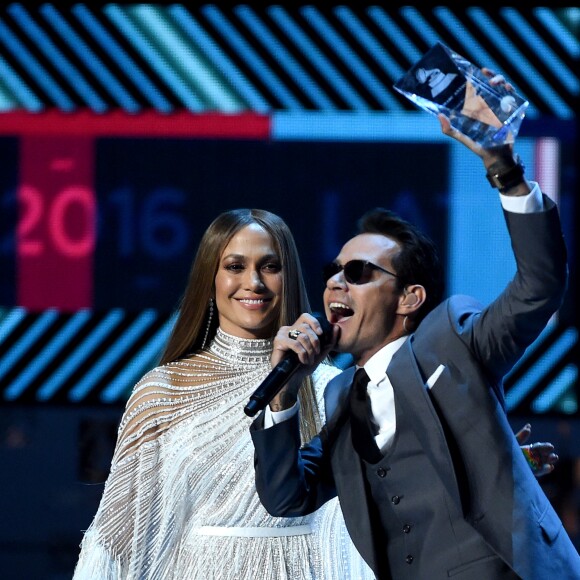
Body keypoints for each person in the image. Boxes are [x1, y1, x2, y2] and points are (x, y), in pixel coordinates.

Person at [250, 83, 580, 577]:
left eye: (359, 273)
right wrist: (284, 398)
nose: (336, 283)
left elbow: (539, 286)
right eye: (333, 272)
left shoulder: (453, 340)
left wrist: (505, 171)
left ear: (409, 298)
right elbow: (286, 497)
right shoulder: (342, 398)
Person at [73, 209, 374, 578]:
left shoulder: (332, 387)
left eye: (269, 266)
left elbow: (362, 524)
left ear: (289, 277)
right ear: (211, 280)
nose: (253, 282)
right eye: (234, 266)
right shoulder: (163, 390)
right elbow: (120, 536)